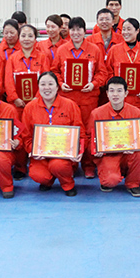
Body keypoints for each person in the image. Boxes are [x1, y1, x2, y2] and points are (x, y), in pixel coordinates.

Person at [51, 16, 108, 178]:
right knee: (70, 131)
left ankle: (88, 165)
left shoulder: (94, 50)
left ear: (85, 31)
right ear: (69, 31)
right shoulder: (62, 50)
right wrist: (60, 83)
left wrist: (94, 84)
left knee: (89, 132)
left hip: (88, 99)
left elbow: (102, 73)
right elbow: (54, 71)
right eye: (73, 29)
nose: (76, 33)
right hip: (67, 100)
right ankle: (71, 164)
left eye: (79, 29)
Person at [21, 72, 85, 196]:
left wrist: (79, 150)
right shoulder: (30, 108)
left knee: (57, 165)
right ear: (38, 87)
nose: (47, 88)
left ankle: (67, 184)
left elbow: (80, 133)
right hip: (41, 156)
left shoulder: (70, 105)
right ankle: (48, 181)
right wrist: (33, 150)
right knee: (38, 175)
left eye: (50, 84)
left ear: (57, 87)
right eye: (43, 84)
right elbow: (26, 136)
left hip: (64, 156)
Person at [87, 76, 140, 197]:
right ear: (107, 93)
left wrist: (136, 146)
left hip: (129, 153)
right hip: (108, 155)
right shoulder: (97, 114)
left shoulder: (136, 112)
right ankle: (109, 175)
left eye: (119, 90)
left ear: (126, 93)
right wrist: (95, 150)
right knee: (110, 181)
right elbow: (90, 138)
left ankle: (133, 184)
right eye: (112, 90)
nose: (115, 94)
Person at [105, 18, 140, 117]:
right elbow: (108, 72)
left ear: (137, 31)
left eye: (129, 29)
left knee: (138, 123)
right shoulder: (114, 50)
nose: (125, 32)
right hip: (119, 99)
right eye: (123, 29)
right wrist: (113, 88)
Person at [4, 24, 51, 112]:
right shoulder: (12, 58)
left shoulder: (42, 57)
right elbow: (8, 81)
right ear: (19, 38)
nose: (26, 39)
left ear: (35, 38)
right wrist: (15, 99)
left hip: (39, 103)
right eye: (23, 36)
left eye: (30, 36)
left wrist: (37, 97)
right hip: (17, 104)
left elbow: (46, 80)